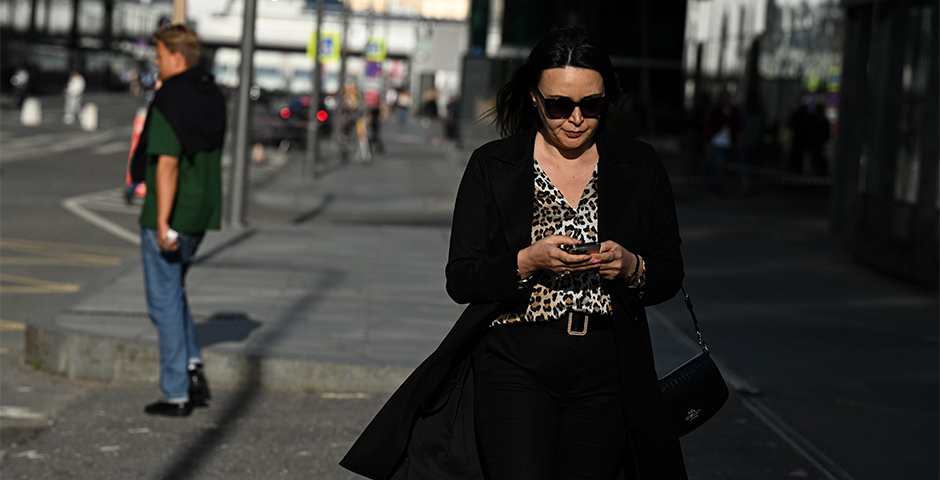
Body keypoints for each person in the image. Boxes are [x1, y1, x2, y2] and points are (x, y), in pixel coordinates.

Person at [341, 26, 688, 479]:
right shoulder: (494, 165)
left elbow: (669, 271)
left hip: (610, 364)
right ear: (534, 99)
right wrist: (527, 261)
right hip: (516, 359)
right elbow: (461, 278)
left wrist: (631, 266)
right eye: (559, 105)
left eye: (591, 105)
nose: (576, 118)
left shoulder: (639, 166)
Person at [131, 24, 226, 417]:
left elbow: (167, 165)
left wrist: (162, 222)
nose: (156, 62)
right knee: (173, 291)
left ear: (175, 56)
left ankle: (176, 393)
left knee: (162, 303)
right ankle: (191, 365)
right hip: (202, 210)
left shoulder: (171, 98)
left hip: (171, 212)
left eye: (159, 55)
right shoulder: (211, 93)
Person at [704, 90, 742, 193]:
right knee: (717, 166)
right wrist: (708, 141)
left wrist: (738, 142)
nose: (726, 100)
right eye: (724, 98)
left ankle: (721, 186)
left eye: (727, 98)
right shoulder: (715, 111)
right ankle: (719, 187)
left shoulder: (734, 112)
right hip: (717, 142)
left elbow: (738, 128)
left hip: (729, 144)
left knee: (725, 167)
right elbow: (709, 127)